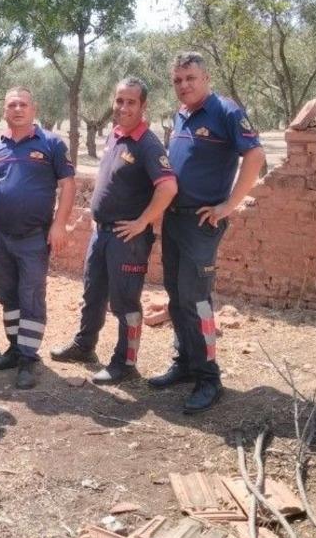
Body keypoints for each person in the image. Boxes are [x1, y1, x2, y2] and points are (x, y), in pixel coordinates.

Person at [148, 52, 265, 413]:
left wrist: (228, 206)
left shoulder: (226, 111)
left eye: (190, 78)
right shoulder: (181, 114)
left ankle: (209, 378)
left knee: (196, 299)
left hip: (202, 223)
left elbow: (255, 156)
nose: (183, 85)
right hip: (174, 219)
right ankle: (185, 362)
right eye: (177, 80)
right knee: (175, 295)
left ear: (207, 78)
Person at [50, 78, 177, 383]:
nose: (123, 107)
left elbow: (168, 187)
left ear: (143, 106)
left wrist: (142, 221)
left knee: (125, 301)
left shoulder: (148, 144)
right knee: (93, 292)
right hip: (102, 233)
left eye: (131, 102)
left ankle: (126, 363)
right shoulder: (115, 135)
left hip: (127, 238)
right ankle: (84, 346)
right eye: (119, 101)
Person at [0, 87, 76, 390]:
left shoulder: (51, 144)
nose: (18, 109)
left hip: (34, 238)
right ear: (5, 111)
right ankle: (14, 348)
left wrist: (59, 225)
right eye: (12, 105)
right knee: (7, 294)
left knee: (31, 296)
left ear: (34, 109)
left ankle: (28, 359)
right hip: (0, 236)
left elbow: (68, 185)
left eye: (23, 104)